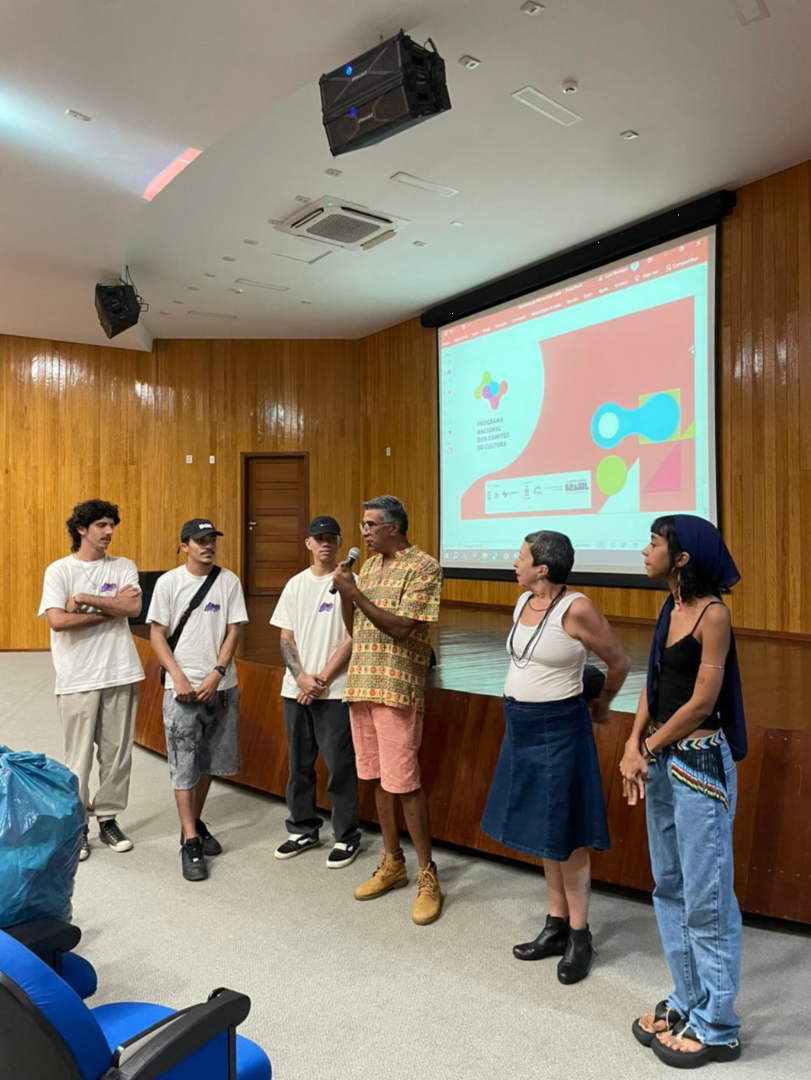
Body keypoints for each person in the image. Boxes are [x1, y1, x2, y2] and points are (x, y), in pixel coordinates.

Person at [620, 515, 745, 1068]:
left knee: (707, 897)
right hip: (663, 759)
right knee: (669, 885)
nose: (645, 551)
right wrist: (632, 742)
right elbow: (654, 684)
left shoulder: (713, 614)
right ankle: (689, 998)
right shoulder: (669, 608)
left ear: (682, 557)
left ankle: (718, 1024)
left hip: (698, 764)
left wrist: (647, 748)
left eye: (654, 543)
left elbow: (700, 702)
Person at [480, 530, 629, 984]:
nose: (514, 562)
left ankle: (580, 937)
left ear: (542, 569)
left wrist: (601, 705)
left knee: (567, 834)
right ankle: (556, 924)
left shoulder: (576, 608)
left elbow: (619, 662)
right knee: (545, 832)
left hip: (559, 730)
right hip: (521, 727)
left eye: (521, 556)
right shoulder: (523, 603)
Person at [331, 495, 444, 925]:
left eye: (371, 525)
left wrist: (354, 591)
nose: (364, 532)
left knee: (405, 782)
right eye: (363, 525)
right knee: (378, 778)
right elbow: (354, 627)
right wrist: (347, 591)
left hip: (397, 687)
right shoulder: (371, 566)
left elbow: (400, 628)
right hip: (362, 683)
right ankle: (392, 861)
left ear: (394, 527)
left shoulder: (424, 567)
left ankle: (427, 873)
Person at [38, 499, 144, 861]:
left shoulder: (123, 566)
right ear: (81, 529)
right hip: (77, 676)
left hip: (121, 671)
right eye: (101, 525)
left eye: (112, 524)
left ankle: (108, 818)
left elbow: (132, 608)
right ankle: (78, 824)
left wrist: (84, 599)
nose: (109, 531)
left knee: (117, 756)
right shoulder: (59, 571)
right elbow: (58, 621)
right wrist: (109, 609)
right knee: (78, 758)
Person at [147, 518, 248, 882]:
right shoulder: (169, 583)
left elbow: (234, 630)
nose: (208, 545)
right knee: (183, 761)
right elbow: (157, 634)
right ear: (184, 546)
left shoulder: (228, 581)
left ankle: (192, 822)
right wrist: (176, 675)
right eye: (200, 540)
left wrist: (218, 672)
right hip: (181, 689)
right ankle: (190, 841)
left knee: (207, 761)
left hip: (220, 687)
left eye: (212, 539)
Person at [270, 515, 361, 868]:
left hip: (334, 690)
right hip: (297, 690)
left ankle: (347, 835)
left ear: (339, 543)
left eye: (331, 537)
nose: (325, 543)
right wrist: (301, 677)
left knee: (340, 765)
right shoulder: (295, 584)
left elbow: (353, 637)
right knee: (299, 765)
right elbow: (286, 638)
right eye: (319, 538)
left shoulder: (351, 582)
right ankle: (303, 828)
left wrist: (320, 678)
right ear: (308, 543)